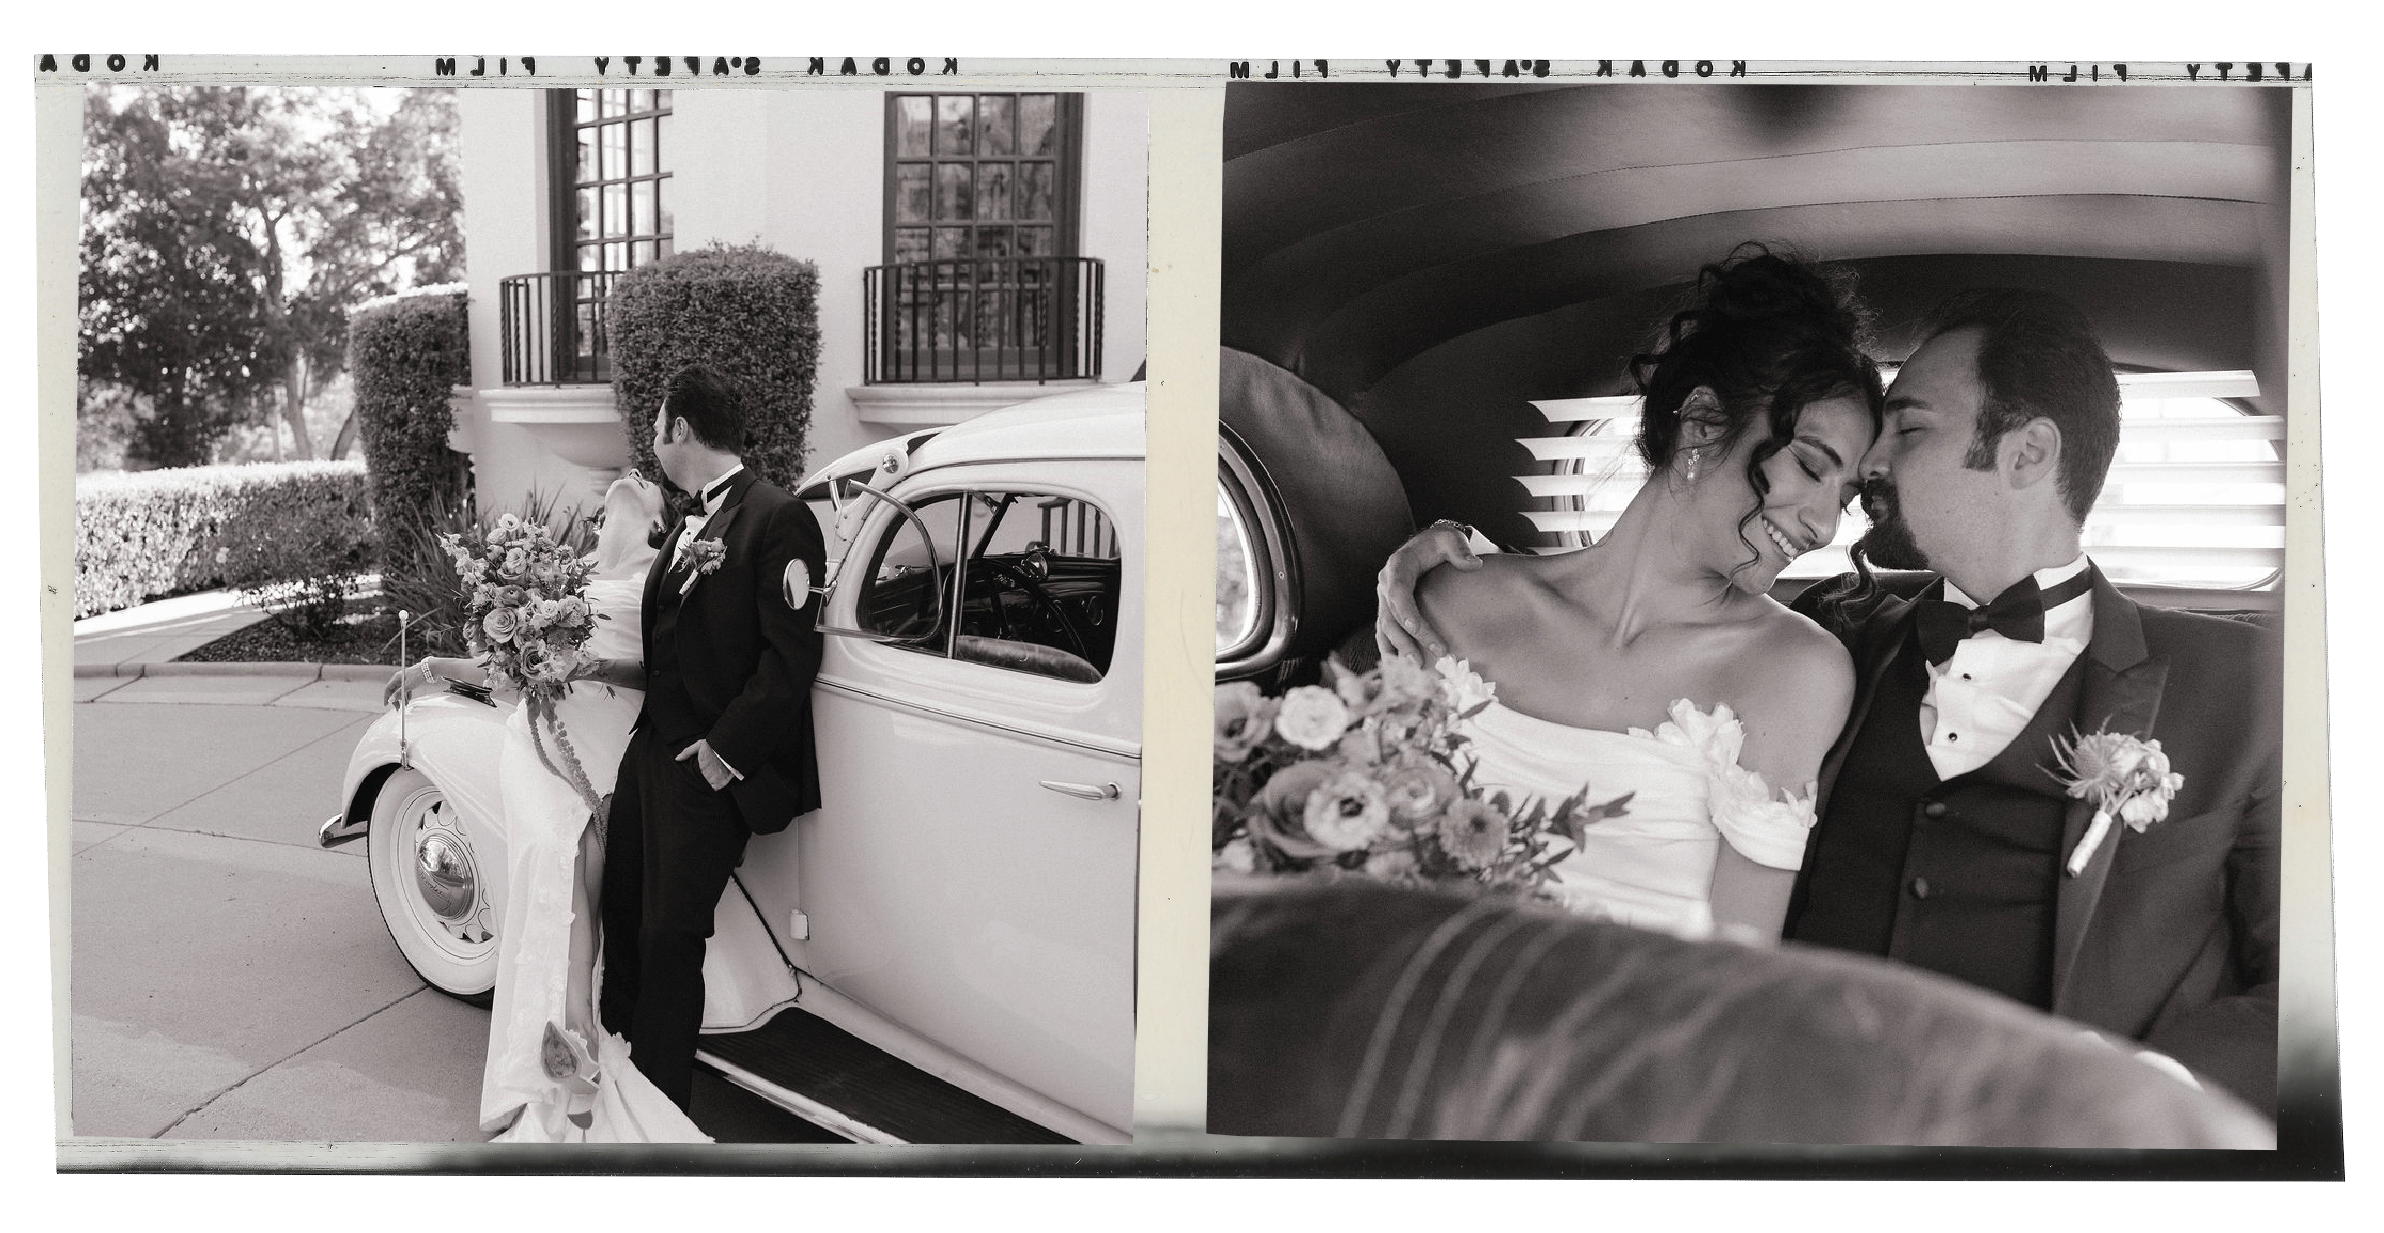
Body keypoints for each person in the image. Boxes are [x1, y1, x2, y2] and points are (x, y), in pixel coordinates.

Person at [1377, 287, 2281, 1115]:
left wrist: (2146, 1088)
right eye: (1845, 459)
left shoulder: (2246, 687)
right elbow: (1637, 614)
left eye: (1908, 429)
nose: (1872, 468)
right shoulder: (1840, 634)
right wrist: (1441, 547)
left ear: (2027, 453)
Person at [1368, 245, 1885, 941]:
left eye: (1846, 497)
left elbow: (1739, 967)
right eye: (1811, 467)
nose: (1824, 525)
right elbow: (1365, 866)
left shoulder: (1795, 673)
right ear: (1702, 424)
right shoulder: (1453, 601)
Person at [386, 469, 711, 1142]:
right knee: (553, 870)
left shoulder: (661, 569)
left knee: (578, 879)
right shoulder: (564, 568)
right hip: (532, 744)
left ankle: (572, 1039)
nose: (634, 474)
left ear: (657, 515)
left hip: (598, 746)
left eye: (647, 478)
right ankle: (570, 1038)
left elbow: (664, 672)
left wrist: (582, 666)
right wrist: (430, 668)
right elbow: (505, 667)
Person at [598, 364, 830, 1112]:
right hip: (648, 757)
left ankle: (659, 1112)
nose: (653, 442)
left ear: (682, 431)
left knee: (671, 939)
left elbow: (789, 661)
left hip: (707, 768)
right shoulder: (687, 518)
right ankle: (618, 1068)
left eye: (657, 427)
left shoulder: (778, 517)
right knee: (623, 912)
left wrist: (720, 758)